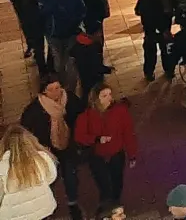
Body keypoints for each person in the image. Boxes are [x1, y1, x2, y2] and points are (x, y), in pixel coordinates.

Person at [20, 77, 82, 220]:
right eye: (51, 89)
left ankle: (73, 203)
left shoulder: (70, 99)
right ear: (43, 92)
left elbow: (81, 118)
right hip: (46, 151)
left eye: (58, 87)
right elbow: (26, 132)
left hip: (68, 146)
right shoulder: (34, 110)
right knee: (48, 179)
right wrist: (39, 147)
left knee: (70, 175)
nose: (56, 92)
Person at [73, 84, 135, 213]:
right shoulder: (87, 115)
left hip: (116, 153)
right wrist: (96, 139)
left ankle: (115, 204)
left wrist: (132, 154)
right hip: (97, 155)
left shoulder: (120, 111)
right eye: (104, 96)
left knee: (117, 180)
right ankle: (107, 205)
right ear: (96, 99)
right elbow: (79, 136)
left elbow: (128, 133)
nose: (109, 98)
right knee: (103, 183)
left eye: (110, 94)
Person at [0, 125, 58, 220]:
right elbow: (51, 177)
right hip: (43, 210)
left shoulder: (2, 166)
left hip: (14, 215)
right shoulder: (42, 158)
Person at [38, 0, 85, 85]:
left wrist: (75, 22)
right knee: (59, 62)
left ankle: (71, 87)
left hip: (71, 33)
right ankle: (62, 82)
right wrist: (56, 0)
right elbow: (43, 14)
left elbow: (81, 9)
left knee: (70, 60)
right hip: (55, 36)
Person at [136, 0, 176, 81]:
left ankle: (168, 70)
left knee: (165, 50)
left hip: (161, 28)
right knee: (151, 51)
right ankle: (150, 72)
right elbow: (147, 14)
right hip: (152, 28)